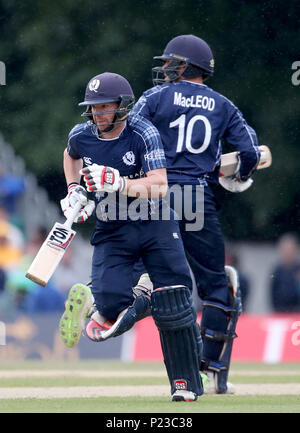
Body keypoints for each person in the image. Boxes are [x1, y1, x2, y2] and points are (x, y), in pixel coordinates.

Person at [59, 72, 204, 402]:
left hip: (154, 221)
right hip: (112, 227)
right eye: (94, 108)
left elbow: (160, 185)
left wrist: (119, 182)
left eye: (105, 107)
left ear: (123, 107)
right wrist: (72, 191)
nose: (98, 114)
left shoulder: (143, 132)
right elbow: (71, 154)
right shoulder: (82, 134)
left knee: (177, 297)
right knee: (110, 308)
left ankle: (184, 384)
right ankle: (139, 293)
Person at [130, 34, 260, 393]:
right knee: (216, 286)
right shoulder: (224, 105)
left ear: (185, 66)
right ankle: (207, 367)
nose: (167, 70)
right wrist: (240, 176)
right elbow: (248, 151)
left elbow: (129, 135)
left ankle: (116, 307)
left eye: (171, 64)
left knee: (154, 276)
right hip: (196, 197)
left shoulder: (155, 97)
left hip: (156, 194)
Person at [270, 233, 300, 312]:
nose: (288, 253)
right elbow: (273, 292)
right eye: (285, 249)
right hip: (280, 311)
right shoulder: (276, 271)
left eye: (290, 249)